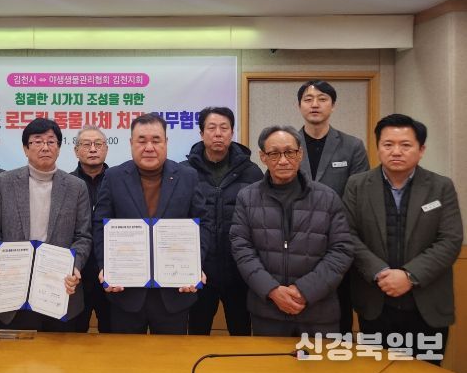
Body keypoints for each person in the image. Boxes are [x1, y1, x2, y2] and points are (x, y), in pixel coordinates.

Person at [343, 114, 463, 362]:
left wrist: (409, 276)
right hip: (375, 303)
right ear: (378, 147)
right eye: (388, 144)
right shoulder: (357, 185)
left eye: (405, 145)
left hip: (427, 304)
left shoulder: (441, 187)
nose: (396, 151)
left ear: (421, 150)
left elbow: (450, 240)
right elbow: (347, 234)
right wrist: (380, 272)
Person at [92, 113, 211, 334]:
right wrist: (105, 266)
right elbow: (100, 224)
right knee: (124, 355)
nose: (149, 147)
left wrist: (195, 264)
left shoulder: (188, 176)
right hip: (125, 292)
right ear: (131, 143)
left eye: (156, 140)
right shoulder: (114, 177)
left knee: (170, 356)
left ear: (166, 142)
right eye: (141, 140)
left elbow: (203, 223)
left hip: (174, 292)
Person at [230, 125, 353, 336]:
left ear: (300, 154)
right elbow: (242, 249)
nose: (283, 160)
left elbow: (341, 250)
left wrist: (305, 290)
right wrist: (272, 290)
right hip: (268, 311)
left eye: (290, 152)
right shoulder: (247, 197)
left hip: (318, 311)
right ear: (263, 157)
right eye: (274, 154)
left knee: (320, 360)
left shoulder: (327, 197)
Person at [0, 118, 92, 331]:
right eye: (37, 141)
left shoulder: (76, 187)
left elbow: (83, 236)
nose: (45, 147)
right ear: (25, 148)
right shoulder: (2, 183)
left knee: (62, 351)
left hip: (60, 290)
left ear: (59, 148)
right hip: (13, 290)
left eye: (51, 141)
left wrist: (74, 266)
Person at [296, 79, 369, 333]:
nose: (315, 104)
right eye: (308, 99)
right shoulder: (287, 144)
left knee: (339, 316)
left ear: (333, 105)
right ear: (299, 106)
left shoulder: (352, 146)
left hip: (337, 245)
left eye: (322, 99)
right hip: (296, 246)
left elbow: (359, 198)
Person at [182, 106, 262, 336]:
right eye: (211, 128)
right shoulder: (184, 172)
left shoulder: (252, 172)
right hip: (200, 271)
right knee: (197, 333)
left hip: (239, 271)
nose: (218, 133)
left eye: (224, 128)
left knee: (241, 332)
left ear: (232, 132)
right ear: (201, 133)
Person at [70, 125, 111, 333]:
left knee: (114, 337)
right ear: (76, 150)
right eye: (86, 144)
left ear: (106, 149)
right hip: (76, 276)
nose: (93, 149)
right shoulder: (66, 184)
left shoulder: (120, 181)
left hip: (112, 274)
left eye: (98, 144)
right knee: (72, 339)